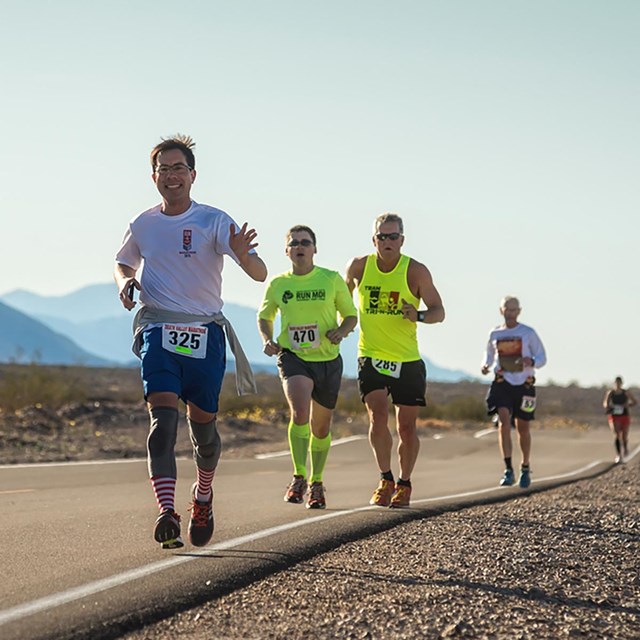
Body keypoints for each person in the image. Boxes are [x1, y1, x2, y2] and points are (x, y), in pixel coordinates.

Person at [114, 134, 267, 549]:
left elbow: (259, 274)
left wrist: (244, 254)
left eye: (178, 168)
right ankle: (167, 511)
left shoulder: (213, 220)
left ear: (192, 175)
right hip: (159, 331)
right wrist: (127, 281)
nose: (171, 175)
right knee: (162, 425)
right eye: (164, 169)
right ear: (153, 176)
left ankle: (203, 495)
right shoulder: (143, 223)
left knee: (205, 436)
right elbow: (123, 260)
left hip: (205, 336)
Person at [345, 213, 445, 509]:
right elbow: (340, 299)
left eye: (393, 237)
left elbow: (439, 311)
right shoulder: (359, 267)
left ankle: (404, 482)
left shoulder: (415, 271)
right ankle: (385, 478)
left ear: (402, 239)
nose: (387, 242)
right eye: (382, 237)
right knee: (377, 416)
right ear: (373, 239)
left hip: (407, 360)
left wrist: (419, 315)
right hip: (371, 355)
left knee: (407, 428)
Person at [258, 226, 357, 509]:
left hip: (327, 359)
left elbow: (351, 315)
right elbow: (264, 316)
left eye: (305, 242)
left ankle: (317, 482)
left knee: (321, 428)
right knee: (300, 411)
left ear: (315, 248)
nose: (300, 247)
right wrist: (267, 339)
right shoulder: (279, 284)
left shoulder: (331, 279)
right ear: (286, 251)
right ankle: (299, 476)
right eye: (294, 243)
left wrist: (341, 331)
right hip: (293, 356)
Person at [481, 295, 547, 489]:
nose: (509, 313)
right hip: (503, 382)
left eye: (513, 310)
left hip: (524, 384)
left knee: (523, 427)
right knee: (503, 421)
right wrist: (485, 366)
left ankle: (525, 467)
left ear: (519, 311)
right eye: (506, 309)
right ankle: (508, 469)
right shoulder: (495, 334)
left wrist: (532, 362)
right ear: (501, 311)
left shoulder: (528, 333)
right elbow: (489, 355)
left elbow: (542, 356)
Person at [603, 376, 636, 463]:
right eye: (616, 383)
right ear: (614, 383)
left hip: (624, 415)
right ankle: (619, 455)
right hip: (614, 415)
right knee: (616, 434)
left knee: (624, 435)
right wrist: (608, 406)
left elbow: (635, 402)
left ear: (621, 383)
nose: (618, 384)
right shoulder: (611, 393)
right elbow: (605, 403)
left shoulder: (626, 393)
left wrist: (627, 405)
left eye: (619, 383)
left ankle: (625, 448)